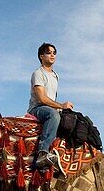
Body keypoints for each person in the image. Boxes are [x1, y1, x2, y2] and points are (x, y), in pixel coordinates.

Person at [28, 42, 73, 171]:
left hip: (50, 107)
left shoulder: (55, 75)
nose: (52, 55)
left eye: (54, 53)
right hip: (37, 109)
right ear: (41, 56)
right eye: (48, 53)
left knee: (73, 119)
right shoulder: (38, 73)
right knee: (53, 114)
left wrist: (63, 108)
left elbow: (52, 99)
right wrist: (60, 106)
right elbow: (41, 98)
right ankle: (42, 153)